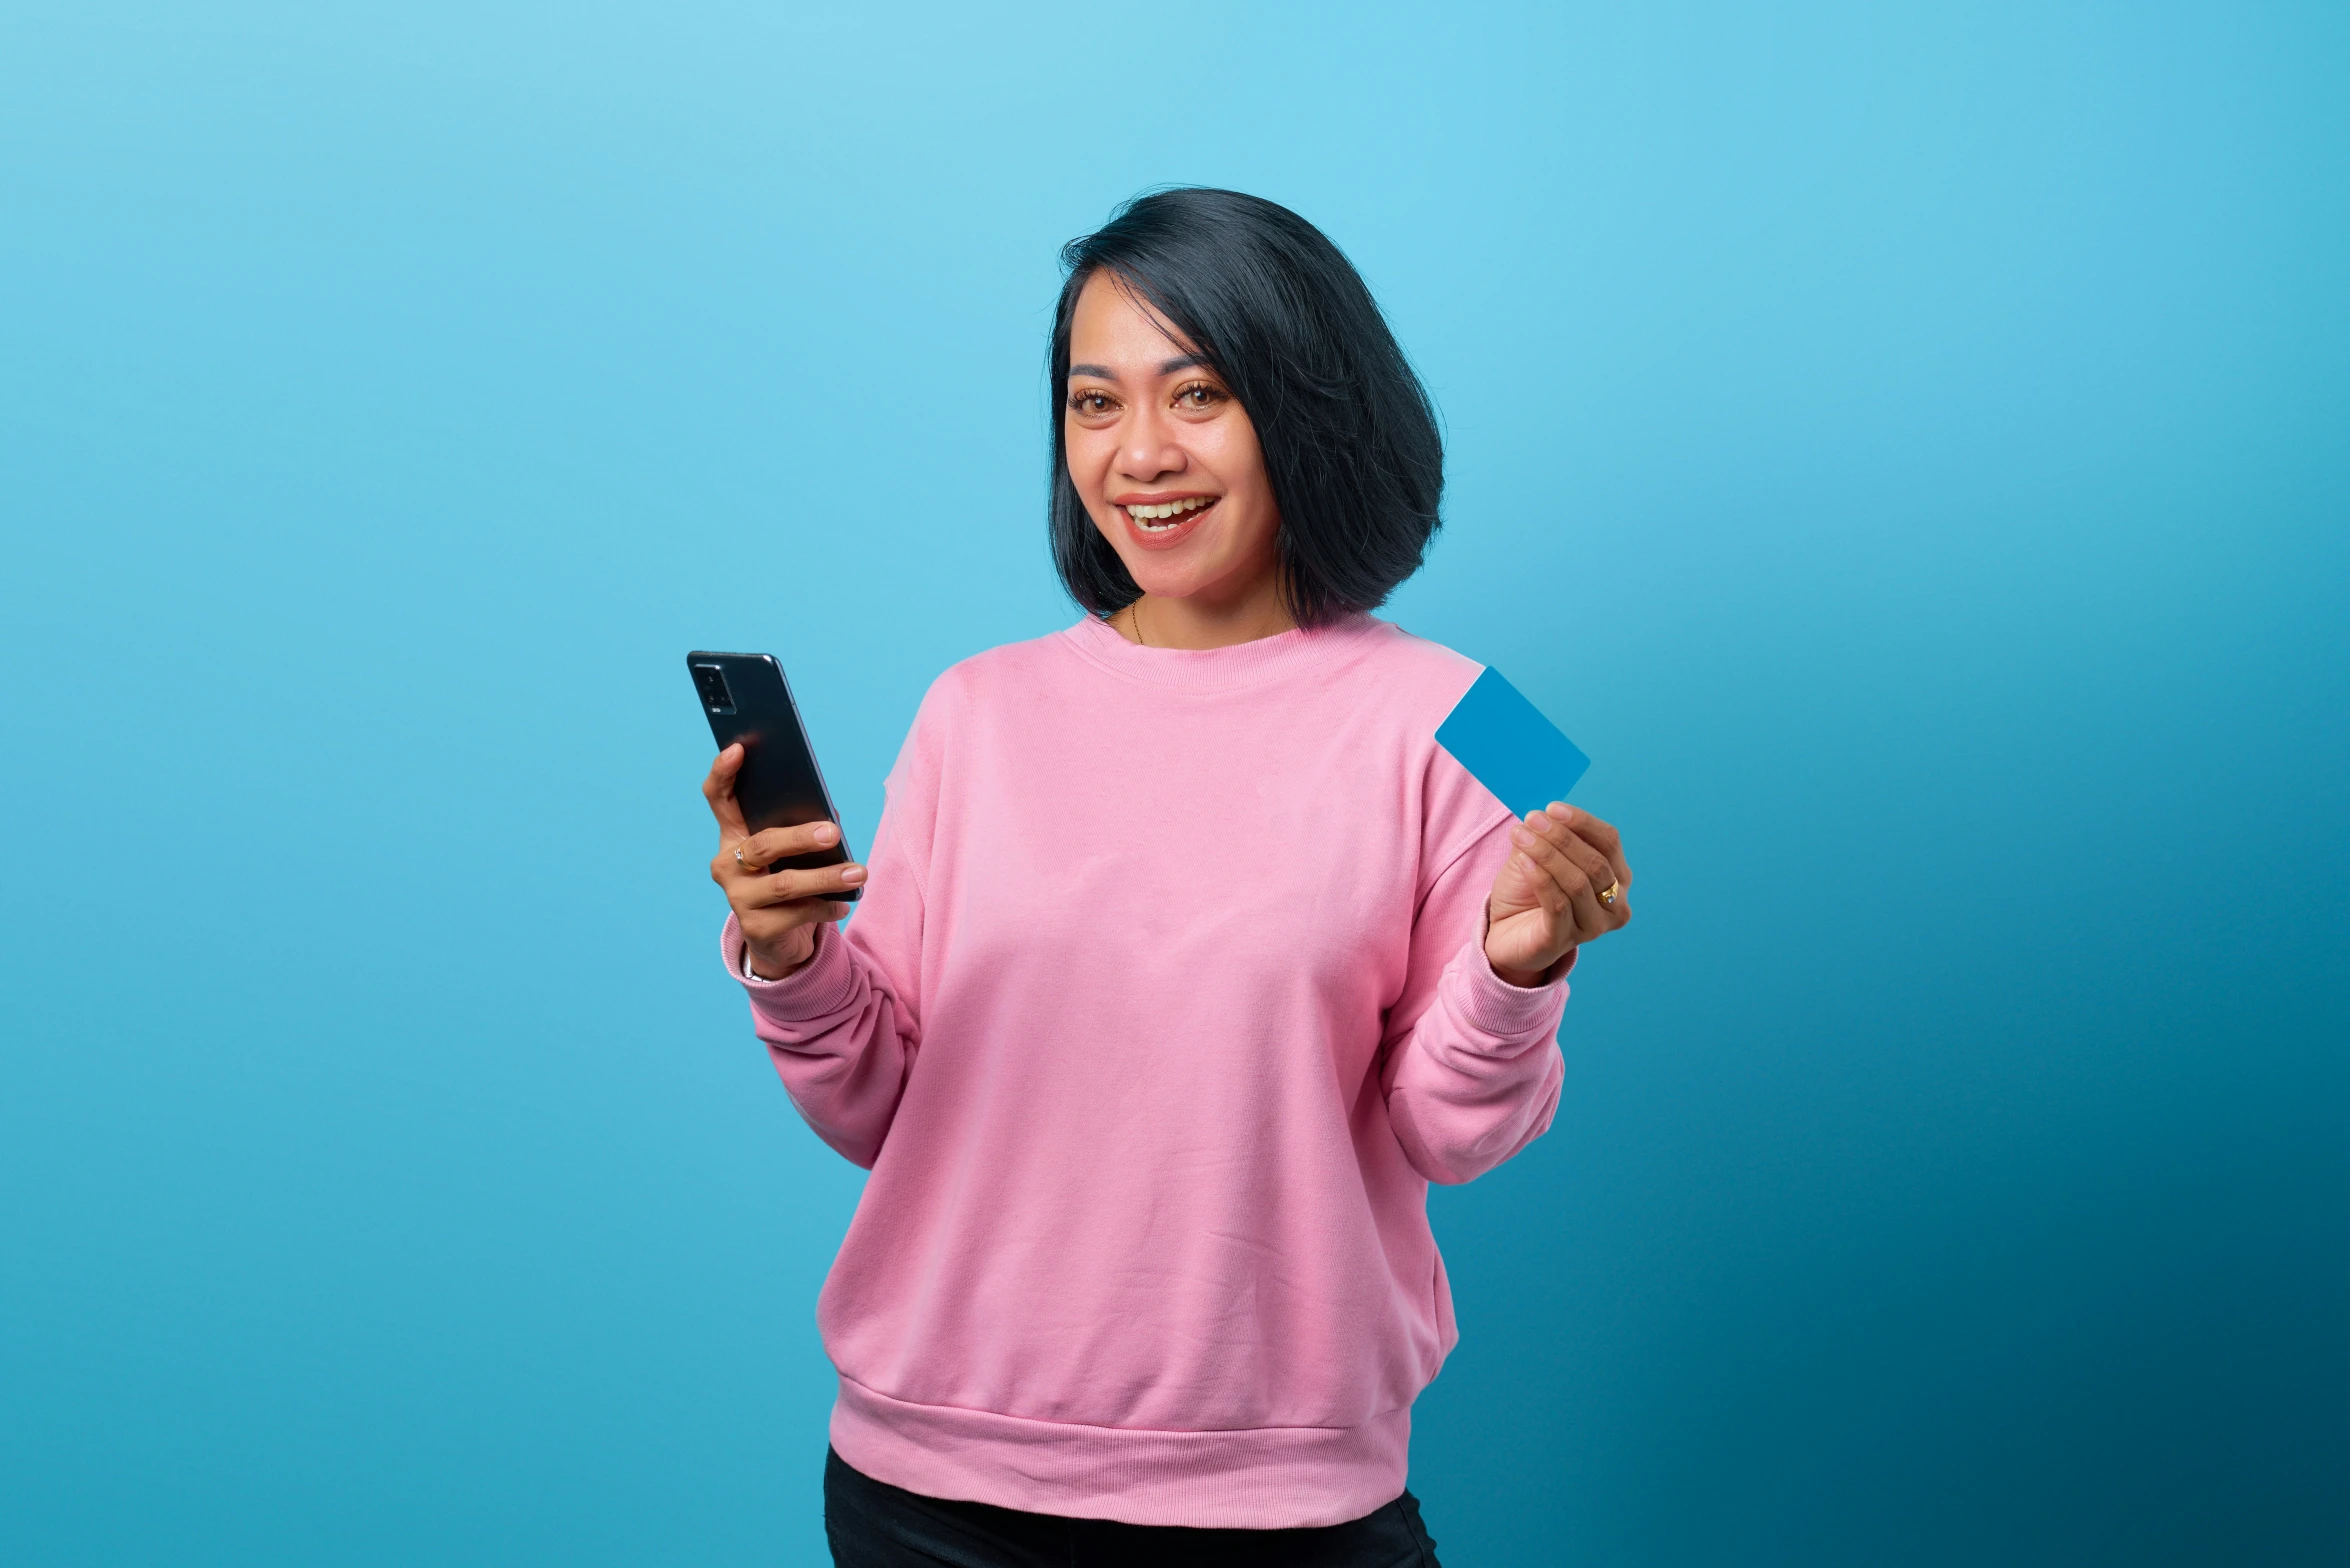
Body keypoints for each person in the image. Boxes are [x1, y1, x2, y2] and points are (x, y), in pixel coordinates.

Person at [698, 188, 1634, 1567]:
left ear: (1306, 405)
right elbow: (880, 1108)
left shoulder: (1477, 714)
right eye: (1093, 404)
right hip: (924, 1485)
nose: (1138, 454)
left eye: (1195, 393)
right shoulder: (975, 707)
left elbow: (1454, 1135)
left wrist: (1519, 967)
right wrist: (790, 962)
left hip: (1282, 1499)